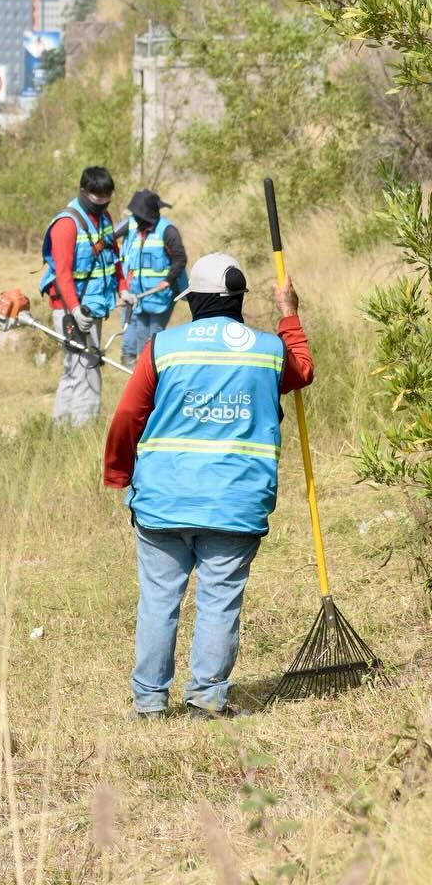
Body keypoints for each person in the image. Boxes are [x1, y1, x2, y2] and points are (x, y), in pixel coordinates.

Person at [103, 254, 314, 720]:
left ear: (193, 300)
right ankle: (207, 700)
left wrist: (119, 472)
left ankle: (149, 704)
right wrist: (288, 312)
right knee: (219, 602)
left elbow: (126, 417)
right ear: (238, 300)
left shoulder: (163, 347)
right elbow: (303, 369)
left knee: (159, 600)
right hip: (236, 503)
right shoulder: (267, 350)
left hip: (162, 501)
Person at [38, 166, 127, 427]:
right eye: (96, 199)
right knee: (87, 370)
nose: (101, 204)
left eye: (106, 198)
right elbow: (63, 273)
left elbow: (112, 255)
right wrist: (75, 310)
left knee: (74, 369)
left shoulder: (104, 218)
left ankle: (60, 427)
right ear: (83, 191)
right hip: (71, 310)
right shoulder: (66, 225)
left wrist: (123, 287)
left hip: (95, 305)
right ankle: (83, 432)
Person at [117, 189, 187, 367]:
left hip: (161, 297)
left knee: (154, 337)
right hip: (139, 298)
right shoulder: (135, 228)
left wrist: (167, 281)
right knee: (142, 339)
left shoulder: (168, 231)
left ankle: (153, 374)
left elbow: (180, 259)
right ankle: (141, 374)